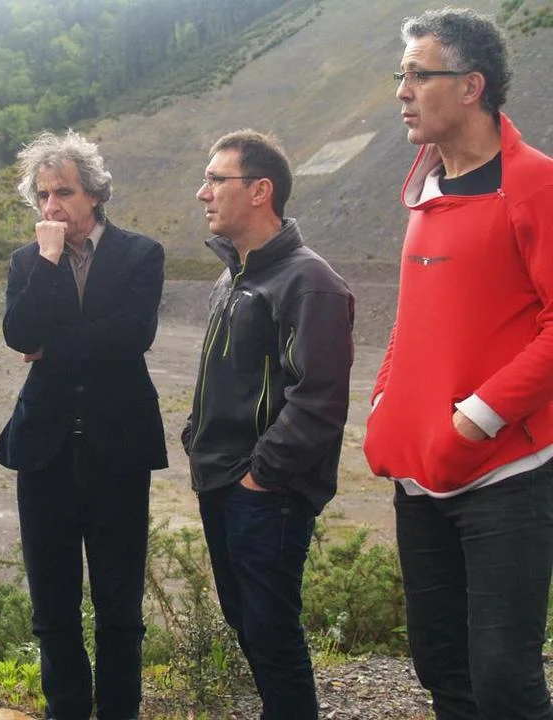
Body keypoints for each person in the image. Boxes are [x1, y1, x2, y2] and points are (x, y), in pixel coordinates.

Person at [363, 8, 553, 719]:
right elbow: (411, 322)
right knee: (441, 663)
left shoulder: (537, 185)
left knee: (503, 678)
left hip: (507, 476)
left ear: (471, 86)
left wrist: (476, 417)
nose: (402, 91)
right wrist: (385, 404)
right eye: (402, 74)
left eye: (418, 75)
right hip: (420, 477)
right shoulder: (428, 190)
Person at [0, 130, 167, 720]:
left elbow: (132, 335)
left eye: (63, 192)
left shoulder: (140, 254)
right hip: (44, 450)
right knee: (52, 604)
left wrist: (53, 347)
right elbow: (19, 334)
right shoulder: (27, 261)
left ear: (94, 193)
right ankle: (65, 709)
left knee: (120, 602)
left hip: (119, 448)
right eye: (43, 195)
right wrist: (46, 263)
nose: (52, 205)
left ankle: (120, 710)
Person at [183, 129, 354, 719]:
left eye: (215, 179)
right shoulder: (233, 276)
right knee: (248, 622)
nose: (203, 192)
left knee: (270, 630)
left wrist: (262, 475)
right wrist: (196, 439)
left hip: (265, 491)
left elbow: (320, 399)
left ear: (260, 191)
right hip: (223, 479)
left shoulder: (310, 281)